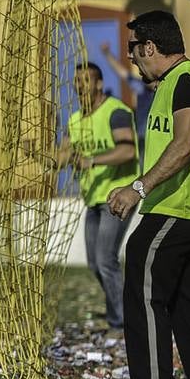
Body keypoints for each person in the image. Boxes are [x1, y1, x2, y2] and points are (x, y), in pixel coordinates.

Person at [106, 11, 190, 379]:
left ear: (150, 48)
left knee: (143, 294)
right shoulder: (177, 82)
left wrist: (139, 187)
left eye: (134, 50)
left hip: (179, 210)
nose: (132, 59)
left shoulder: (186, 81)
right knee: (189, 306)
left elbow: (186, 143)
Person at [62, 63, 138, 330]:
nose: (79, 85)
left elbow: (128, 151)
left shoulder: (115, 112)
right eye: (76, 81)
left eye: (85, 80)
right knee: (96, 263)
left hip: (117, 196)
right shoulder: (74, 120)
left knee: (106, 260)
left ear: (98, 83)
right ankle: (120, 312)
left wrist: (91, 161)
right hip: (92, 200)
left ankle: (121, 324)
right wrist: (34, 151)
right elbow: (62, 157)